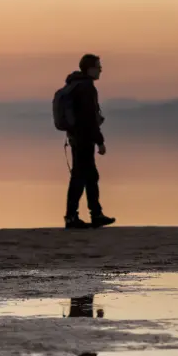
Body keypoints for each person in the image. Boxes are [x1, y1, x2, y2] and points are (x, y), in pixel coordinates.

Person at [63, 54, 115, 229]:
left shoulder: (76, 85)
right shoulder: (86, 88)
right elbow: (89, 119)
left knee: (89, 176)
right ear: (89, 68)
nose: (100, 70)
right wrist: (100, 141)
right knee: (80, 177)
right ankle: (73, 217)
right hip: (83, 139)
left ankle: (94, 214)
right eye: (98, 66)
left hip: (76, 137)